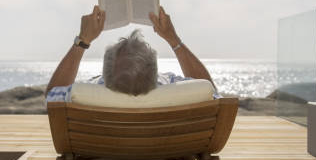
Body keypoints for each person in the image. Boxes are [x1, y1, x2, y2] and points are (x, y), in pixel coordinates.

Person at [46, 5, 216, 101]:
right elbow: (211, 92)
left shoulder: (86, 93)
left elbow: (51, 97)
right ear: (154, 71)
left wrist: (82, 41)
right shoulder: (175, 87)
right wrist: (174, 39)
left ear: (105, 74)